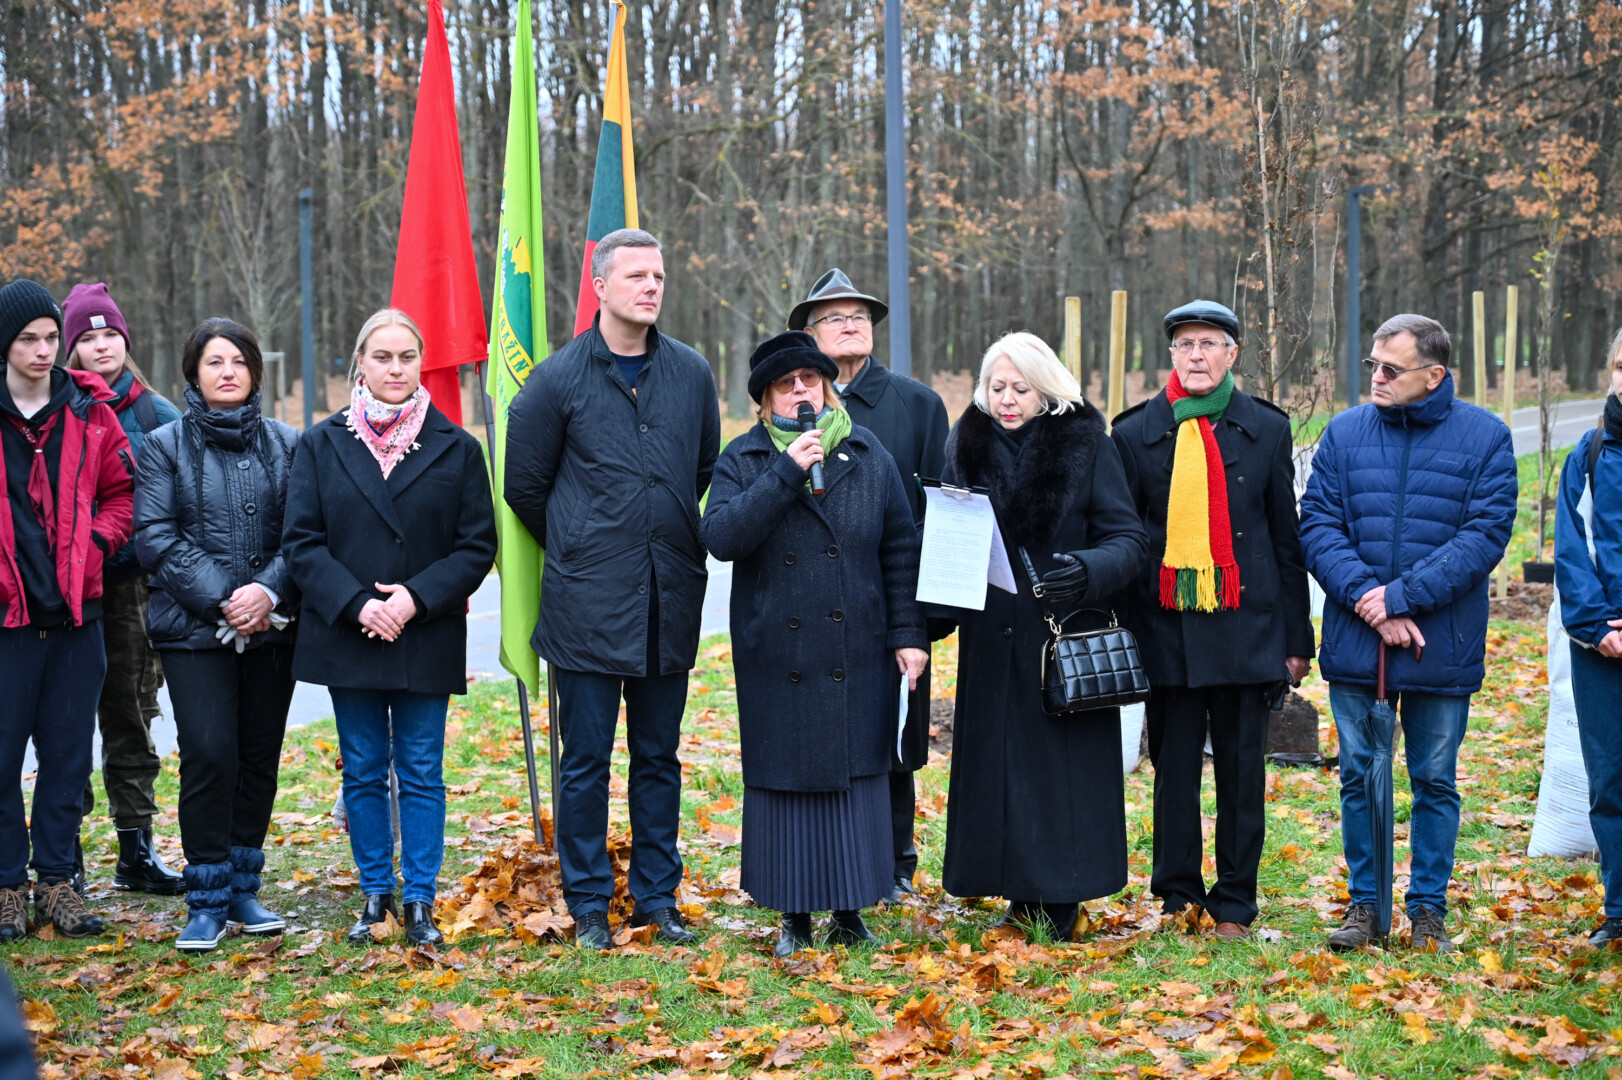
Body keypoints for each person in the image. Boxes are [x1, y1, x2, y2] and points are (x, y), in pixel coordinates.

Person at [504, 228, 720, 950]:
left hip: (668, 597)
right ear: (599, 286)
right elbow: (525, 488)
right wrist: (584, 541)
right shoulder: (555, 381)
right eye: (636, 276)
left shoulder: (691, 373)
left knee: (658, 758)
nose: (651, 287)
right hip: (586, 607)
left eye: (658, 275)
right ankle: (590, 903)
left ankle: (657, 898)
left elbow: (699, 469)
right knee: (586, 763)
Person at [701, 331, 927, 955]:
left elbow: (899, 547)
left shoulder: (867, 452)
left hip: (858, 647)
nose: (801, 391)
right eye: (786, 383)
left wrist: (909, 634)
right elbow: (721, 536)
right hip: (779, 653)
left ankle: (851, 911)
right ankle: (793, 917)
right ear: (765, 399)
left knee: (857, 778)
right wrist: (786, 472)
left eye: (810, 379)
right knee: (788, 783)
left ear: (827, 387)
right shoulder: (744, 457)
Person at [1300, 313, 1517, 953]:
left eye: (1391, 369)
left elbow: (1484, 536)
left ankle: (1428, 911)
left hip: (1440, 642)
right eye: (1373, 364)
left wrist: (1400, 598)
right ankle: (1365, 906)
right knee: (1359, 775)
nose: (1377, 376)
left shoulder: (1486, 438)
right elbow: (1317, 525)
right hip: (1357, 640)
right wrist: (1371, 602)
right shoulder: (1344, 433)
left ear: (1435, 374)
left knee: (1435, 779)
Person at [283, 309, 496, 947]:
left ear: (420, 362)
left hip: (423, 631)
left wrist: (414, 599)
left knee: (423, 769)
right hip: (349, 630)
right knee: (364, 768)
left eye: (407, 357)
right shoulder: (322, 444)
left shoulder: (457, 447)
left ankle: (421, 898)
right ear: (360, 363)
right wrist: (357, 603)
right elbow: (302, 542)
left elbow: (475, 547)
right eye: (382, 357)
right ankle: (376, 894)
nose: (396, 368)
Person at [1111, 301, 1315, 941]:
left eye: (1209, 344)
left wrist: (1296, 639)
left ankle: (1234, 902)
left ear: (1232, 354)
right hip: (1164, 630)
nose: (1196, 355)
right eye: (1185, 344)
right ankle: (1178, 895)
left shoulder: (1267, 428)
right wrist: (1126, 633)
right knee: (1173, 772)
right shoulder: (1134, 432)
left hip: (1246, 629)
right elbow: (1125, 540)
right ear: (1172, 354)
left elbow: (1285, 540)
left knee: (1241, 773)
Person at [938, 332, 1147, 941]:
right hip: (991, 638)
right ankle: (1017, 892)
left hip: (1059, 638)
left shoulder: (1087, 444)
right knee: (999, 770)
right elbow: (948, 529)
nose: (1006, 400)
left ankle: (1062, 895)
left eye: (1020, 389)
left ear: (1047, 390)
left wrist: (1086, 570)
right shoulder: (965, 444)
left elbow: (1129, 539)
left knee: (1060, 774)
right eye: (996, 387)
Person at [135, 317, 300, 952]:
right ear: (194, 374)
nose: (227, 372)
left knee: (258, 756)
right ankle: (205, 900)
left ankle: (242, 890)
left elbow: (304, 532)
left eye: (238, 361)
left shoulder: (288, 444)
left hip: (273, 628)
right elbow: (156, 535)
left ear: (255, 370)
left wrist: (267, 592)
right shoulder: (163, 445)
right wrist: (227, 600)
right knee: (209, 753)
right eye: (214, 362)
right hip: (194, 630)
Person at [792, 268, 948, 903]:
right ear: (808, 334)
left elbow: (942, 507)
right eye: (834, 317)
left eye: (859, 315)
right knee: (824, 732)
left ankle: (896, 862)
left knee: (895, 734)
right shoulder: (794, 405)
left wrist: (926, 612)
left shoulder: (918, 404)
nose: (851, 325)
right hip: (812, 604)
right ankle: (831, 860)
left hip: (894, 601)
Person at [0, 280, 134, 941]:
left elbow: (123, 494)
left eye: (52, 337)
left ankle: (57, 883)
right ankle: (7, 885)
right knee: (1, 760)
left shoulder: (91, 411)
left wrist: (98, 545)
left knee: (67, 757)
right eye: (28, 339)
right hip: (7, 622)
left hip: (78, 618)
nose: (43, 350)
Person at [61, 282, 185, 896]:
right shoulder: (57, 408)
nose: (102, 346)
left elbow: (180, 505)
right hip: (64, 592)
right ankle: (62, 856)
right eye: (89, 339)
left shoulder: (157, 415)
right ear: (71, 349)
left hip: (132, 588)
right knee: (63, 722)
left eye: (111, 334)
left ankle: (136, 849)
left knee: (131, 715)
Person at [1553, 327, 1622, 947]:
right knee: (1610, 780)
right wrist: (1596, 627)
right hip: (1604, 647)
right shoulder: (1591, 453)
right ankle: (1620, 907)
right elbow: (1571, 548)